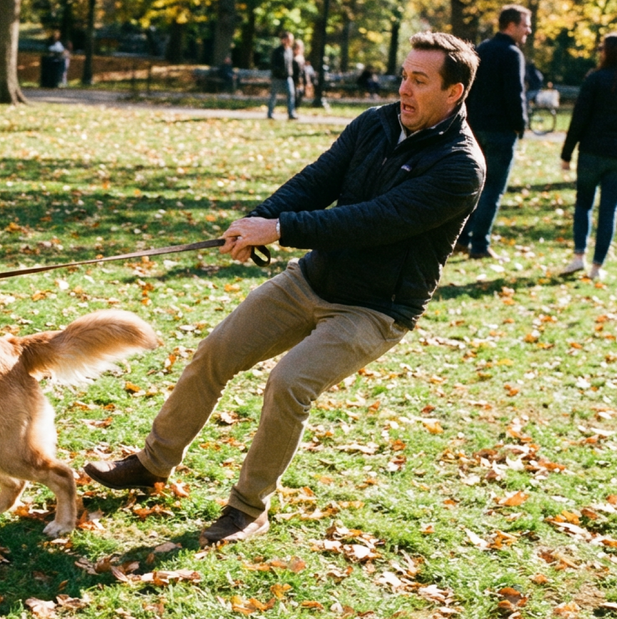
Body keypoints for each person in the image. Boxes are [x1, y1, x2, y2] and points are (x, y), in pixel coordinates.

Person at [84, 31, 484, 547]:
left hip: (375, 309)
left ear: (454, 93)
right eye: (404, 75)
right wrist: (260, 218)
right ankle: (152, 463)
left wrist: (280, 230)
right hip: (313, 279)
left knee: (289, 382)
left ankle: (248, 509)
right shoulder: (376, 123)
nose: (404, 89)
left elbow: (374, 222)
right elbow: (317, 180)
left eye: (420, 81)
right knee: (215, 353)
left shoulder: (460, 166)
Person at [456, 4, 532, 260]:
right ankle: (480, 244)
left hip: (476, 128)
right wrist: (520, 125)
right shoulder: (512, 54)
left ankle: (461, 239)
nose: (528, 30)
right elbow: (515, 94)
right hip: (501, 131)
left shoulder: (482, 49)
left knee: (474, 186)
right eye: (525, 25)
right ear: (511, 25)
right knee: (493, 189)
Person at [557, 33, 617, 281]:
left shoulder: (594, 79)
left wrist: (566, 153)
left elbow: (579, 118)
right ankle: (597, 265)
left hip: (591, 153)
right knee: (609, 211)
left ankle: (578, 256)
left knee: (584, 204)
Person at [267, 32, 297, 120]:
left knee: (291, 94)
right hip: (277, 77)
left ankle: (291, 113)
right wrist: (278, 71)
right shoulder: (277, 51)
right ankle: (270, 113)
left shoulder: (290, 51)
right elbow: (273, 64)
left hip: (288, 76)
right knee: (274, 95)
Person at [292, 41, 308, 108]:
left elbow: (304, 71)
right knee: (294, 94)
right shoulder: (292, 58)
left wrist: (306, 81)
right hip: (294, 78)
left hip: (300, 79)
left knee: (300, 94)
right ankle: (293, 108)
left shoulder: (301, 58)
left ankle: (296, 107)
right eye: (297, 48)